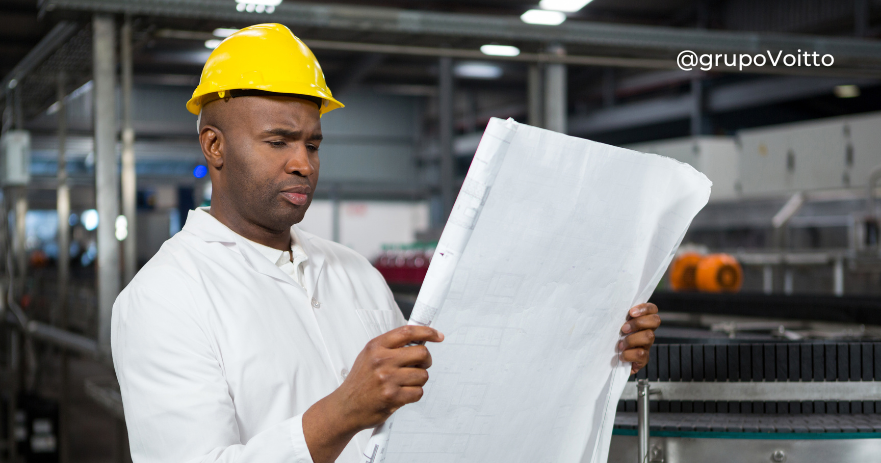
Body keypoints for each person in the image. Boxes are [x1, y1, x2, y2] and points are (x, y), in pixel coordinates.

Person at [111, 23, 661, 463]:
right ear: (215, 145)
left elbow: (450, 398)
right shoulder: (164, 298)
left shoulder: (353, 273)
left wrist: (596, 352)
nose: (302, 163)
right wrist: (344, 410)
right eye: (278, 141)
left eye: (313, 143)